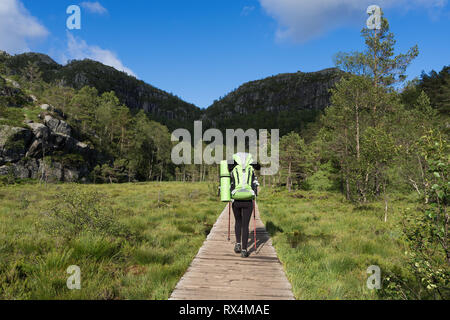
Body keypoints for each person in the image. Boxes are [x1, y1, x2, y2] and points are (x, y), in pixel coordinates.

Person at [228, 152, 260, 258]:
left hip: (236, 198)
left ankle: (238, 244)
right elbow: (259, 167)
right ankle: (244, 250)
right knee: (245, 225)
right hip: (248, 199)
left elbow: (226, 171)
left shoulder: (233, 165)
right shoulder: (251, 166)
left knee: (238, 221)